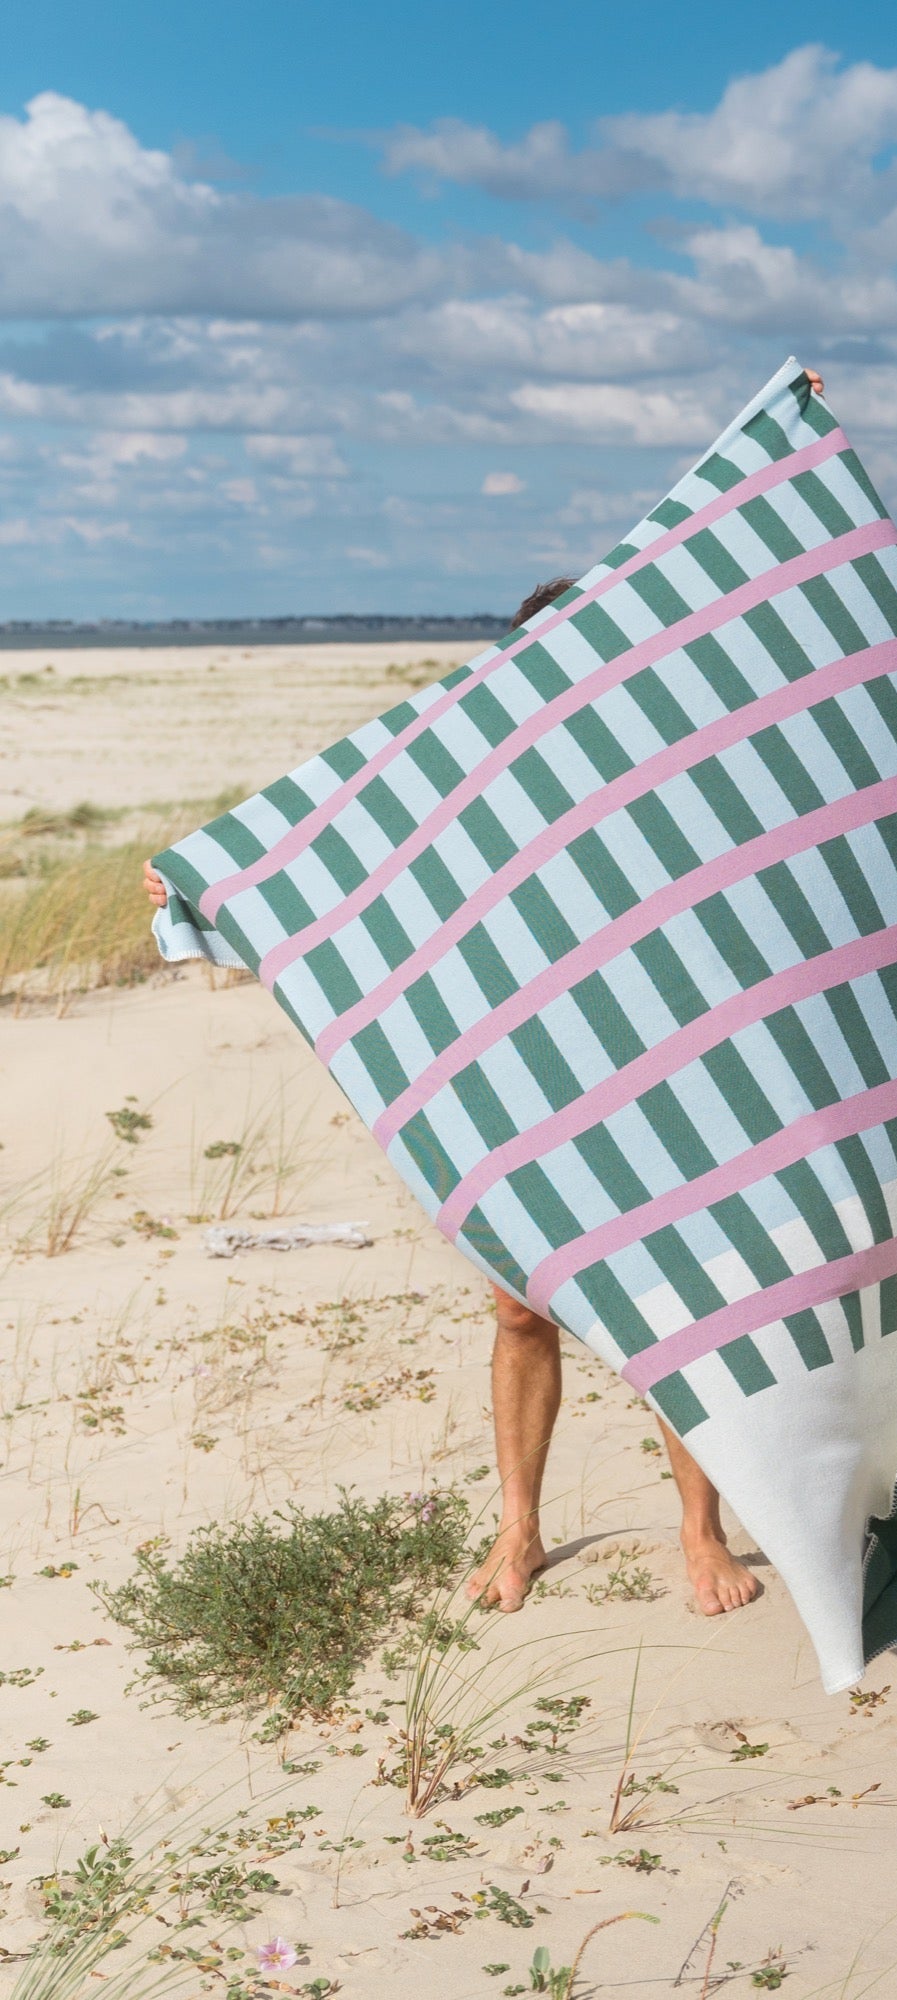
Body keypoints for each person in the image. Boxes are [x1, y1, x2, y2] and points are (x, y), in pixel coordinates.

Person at [144, 370, 823, 1618]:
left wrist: (790, 447)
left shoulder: (669, 773)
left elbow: (769, 646)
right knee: (520, 1311)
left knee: (679, 1312)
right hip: (524, 1086)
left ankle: (698, 1532)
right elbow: (354, 866)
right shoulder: (476, 794)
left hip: (657, 1077)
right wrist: (214, 887)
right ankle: (518, 1531)